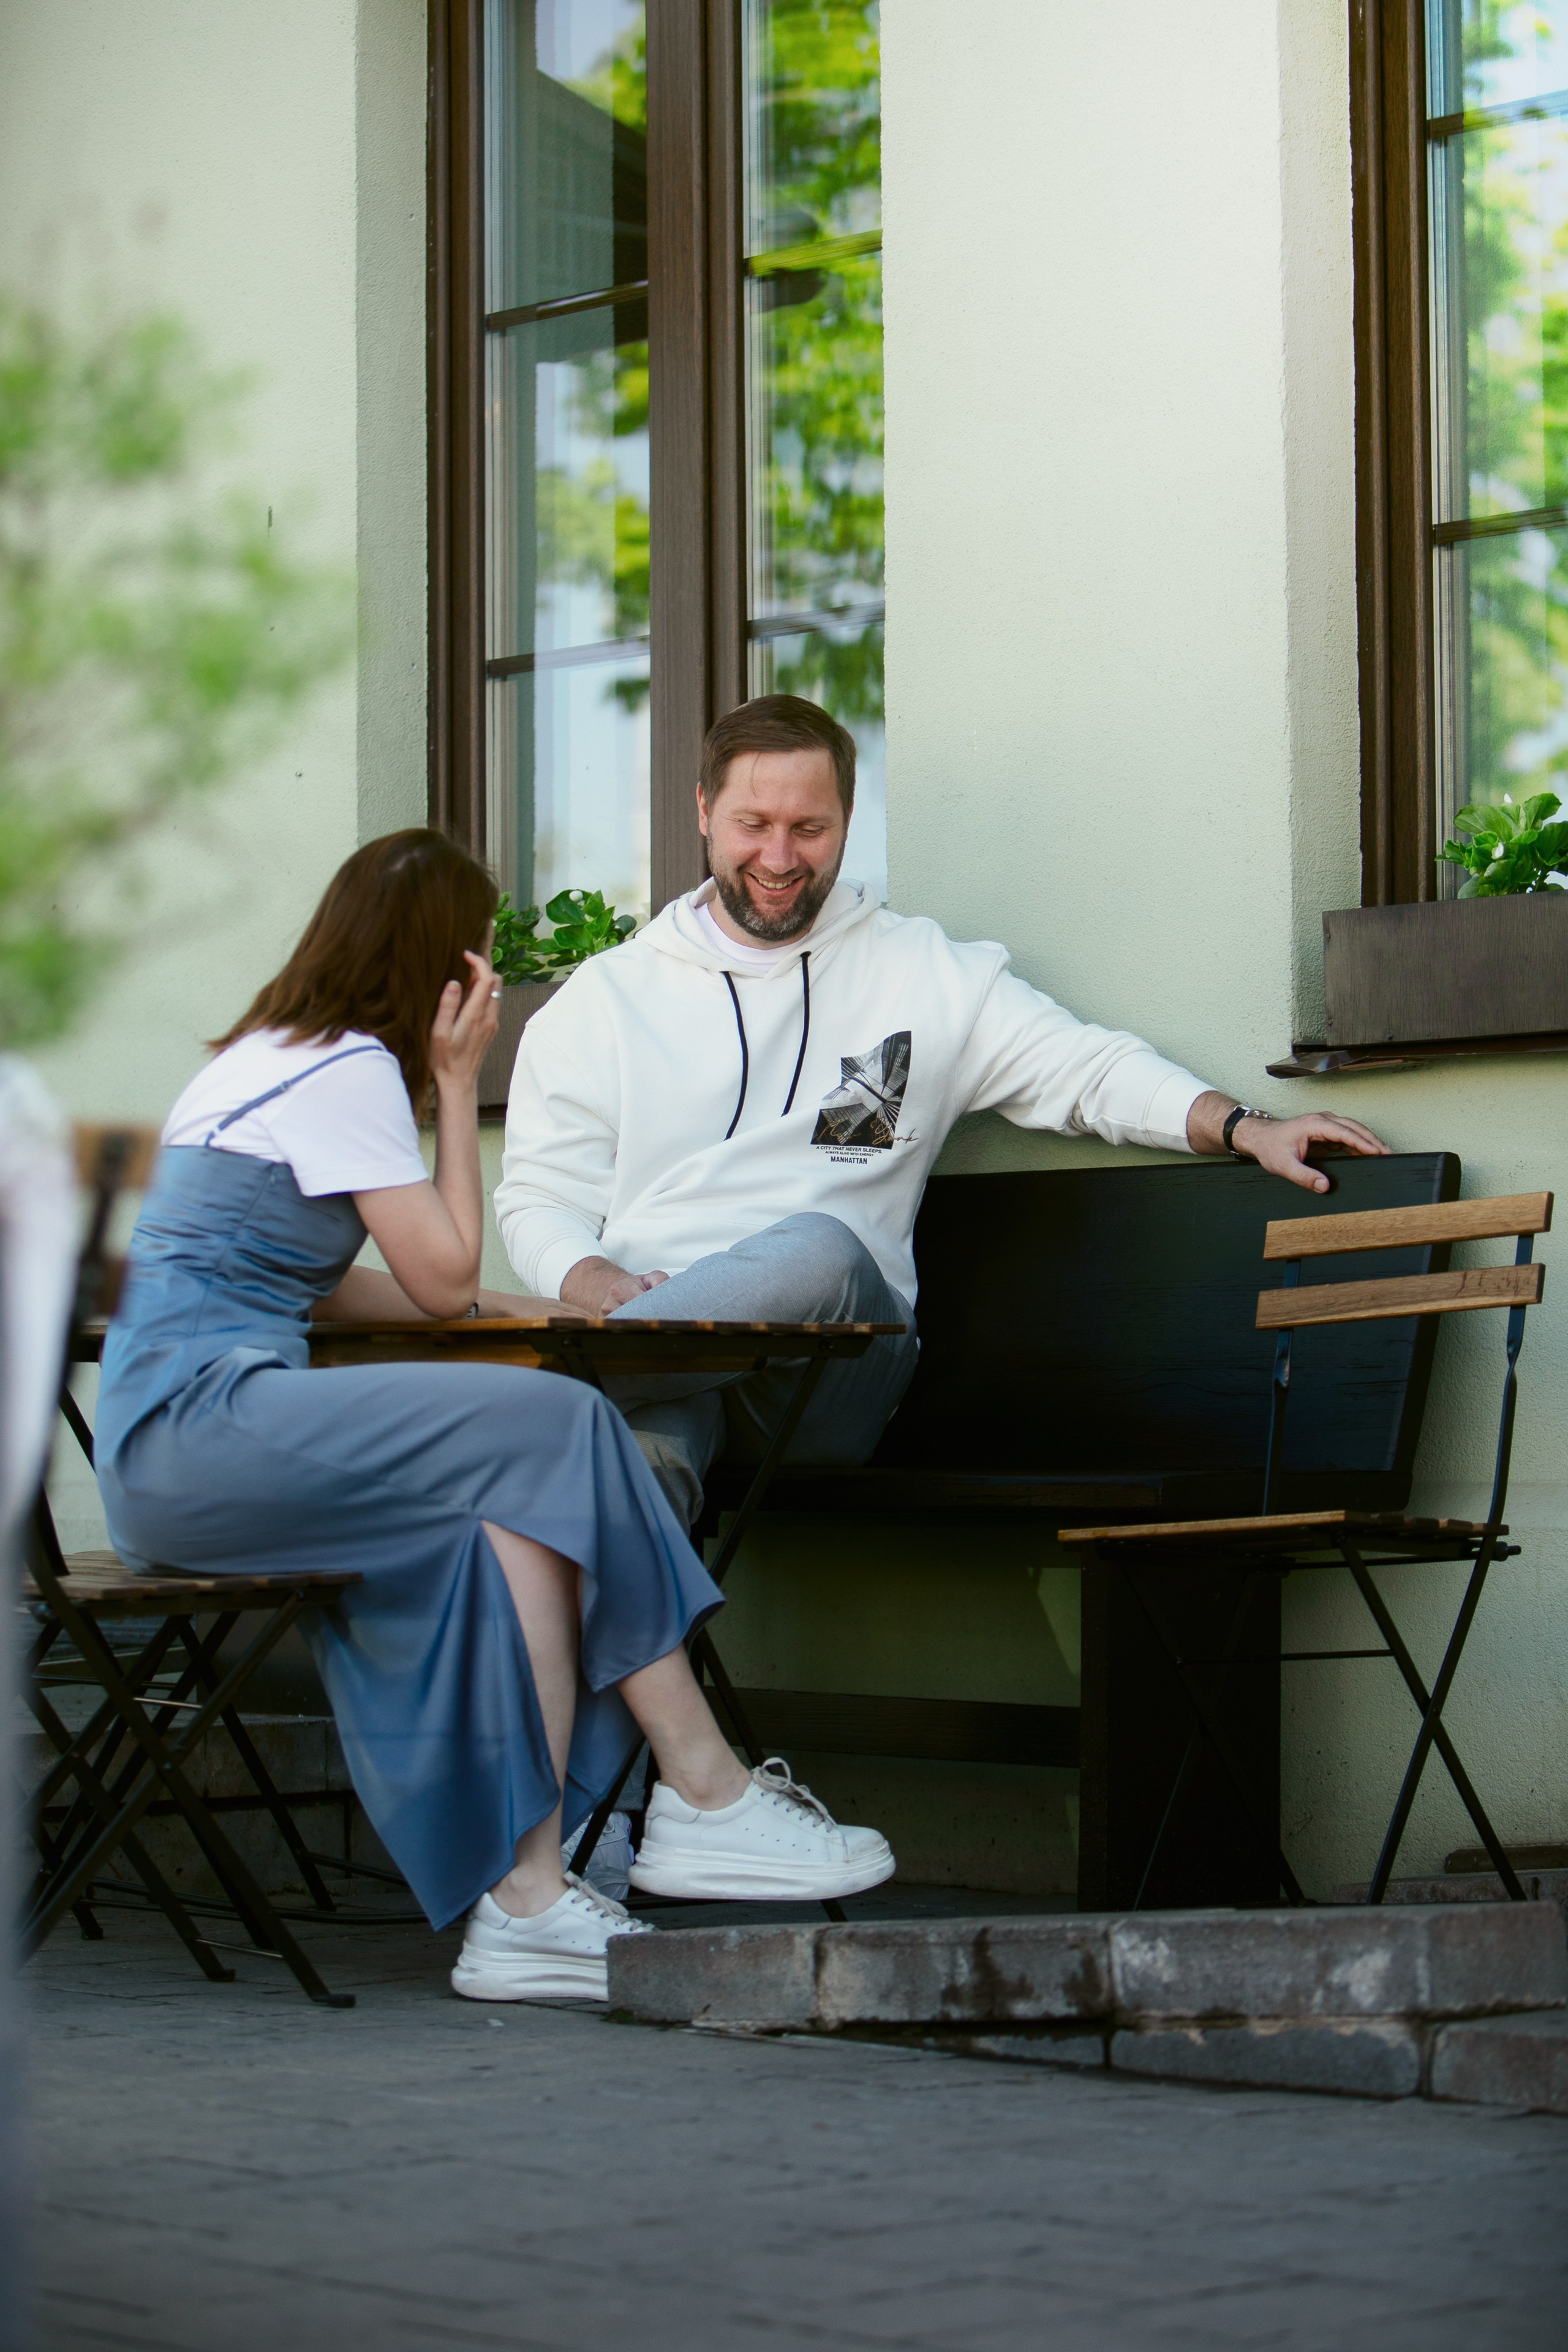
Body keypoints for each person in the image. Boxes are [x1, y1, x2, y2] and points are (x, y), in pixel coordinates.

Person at [94, 829, 896, 2004]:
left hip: (178, 1443)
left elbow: (320, 1282)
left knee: (519, 1521)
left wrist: (520, 1304)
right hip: (206, 1425)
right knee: (560, 1420)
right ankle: (704, 1787)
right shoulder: (346, 1072)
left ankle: (526, 1901)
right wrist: (463, 1084)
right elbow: (433, 1273)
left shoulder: (265, 1056)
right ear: (447, 962)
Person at [495, 696, 1389, 1521]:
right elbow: (540, 1197)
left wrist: (1247, 1127)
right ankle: (615, 1678)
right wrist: (605, 1287)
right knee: (637, 1466)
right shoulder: (604, 1000)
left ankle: (576, 1378)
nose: (779, 858)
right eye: (752, 825)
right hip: (661, 1355)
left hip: (825, 1378)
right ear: (702, 812)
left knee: (821, 1244)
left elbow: (1086, 1069)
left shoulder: (924, 975)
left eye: (810, 828)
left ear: (848, 820)